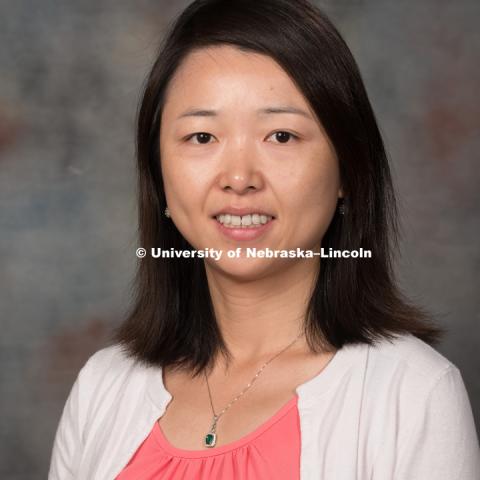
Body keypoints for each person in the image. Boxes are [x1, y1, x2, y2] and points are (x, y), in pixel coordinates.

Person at [48, 0, 480, 478]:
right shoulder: (102, 387)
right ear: (159, 175)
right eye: (202, 137)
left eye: (280, 136)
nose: (238, 178)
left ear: (347, 170)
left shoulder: (414, 392)